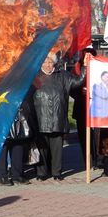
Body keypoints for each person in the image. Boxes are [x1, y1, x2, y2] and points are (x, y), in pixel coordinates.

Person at [33, 53, 85, 181]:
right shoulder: (34, 77)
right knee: (42, 149)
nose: (48, 65)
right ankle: (42, 173)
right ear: (41, 64)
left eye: (51, 62)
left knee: (57, 149)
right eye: (45, 62)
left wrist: (85, 68)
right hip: (40, 119)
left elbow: (78, 82)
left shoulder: (63, 75)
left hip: (58, 119)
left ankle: (57, 172)